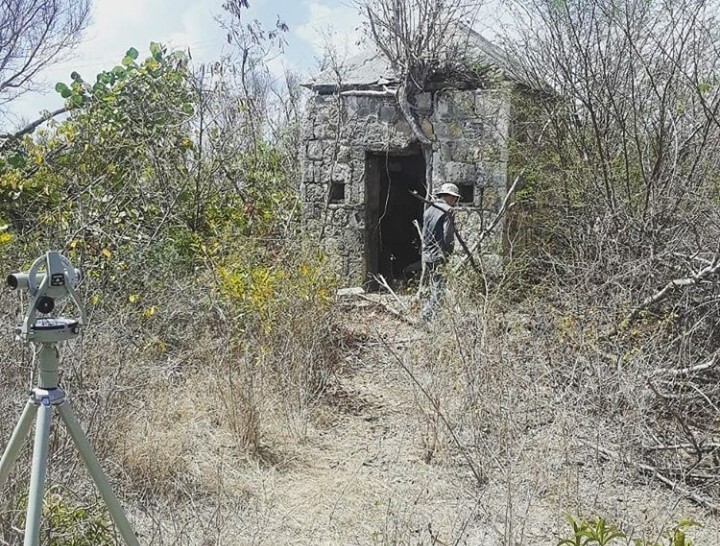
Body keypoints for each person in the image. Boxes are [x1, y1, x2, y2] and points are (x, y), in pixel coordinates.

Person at [420, 183, 460, 322]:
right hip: (439, 254)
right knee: (439, 289)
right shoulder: (448, 210)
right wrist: (449, 252)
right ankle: (426, 317)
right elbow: (448, 235)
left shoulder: (429, 210)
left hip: (427, 253)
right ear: (449, 197)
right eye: (454, 198)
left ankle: (433, 318)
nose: (455, 201)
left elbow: (425, 233)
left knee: (434, 287)